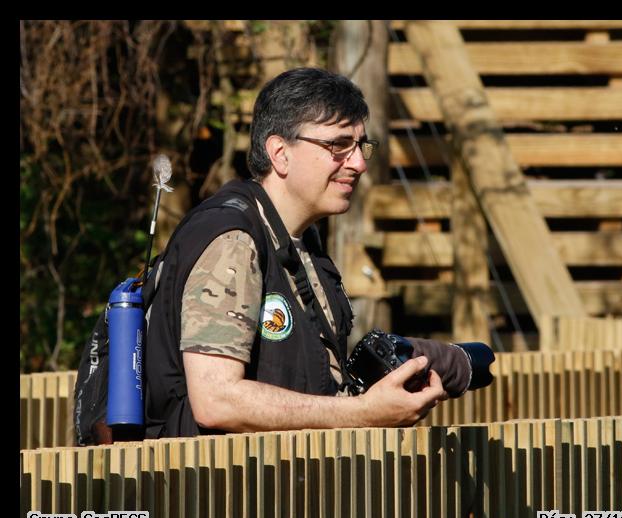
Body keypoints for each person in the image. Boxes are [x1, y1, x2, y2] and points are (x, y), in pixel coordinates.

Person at [143, 68, 448, 438]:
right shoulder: (233, 240)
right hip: (210, 474)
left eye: (361, 146)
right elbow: (216, 400)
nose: (359, 164)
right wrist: (363, 412)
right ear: (280, 153)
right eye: (338, 146)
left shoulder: (302, 241)